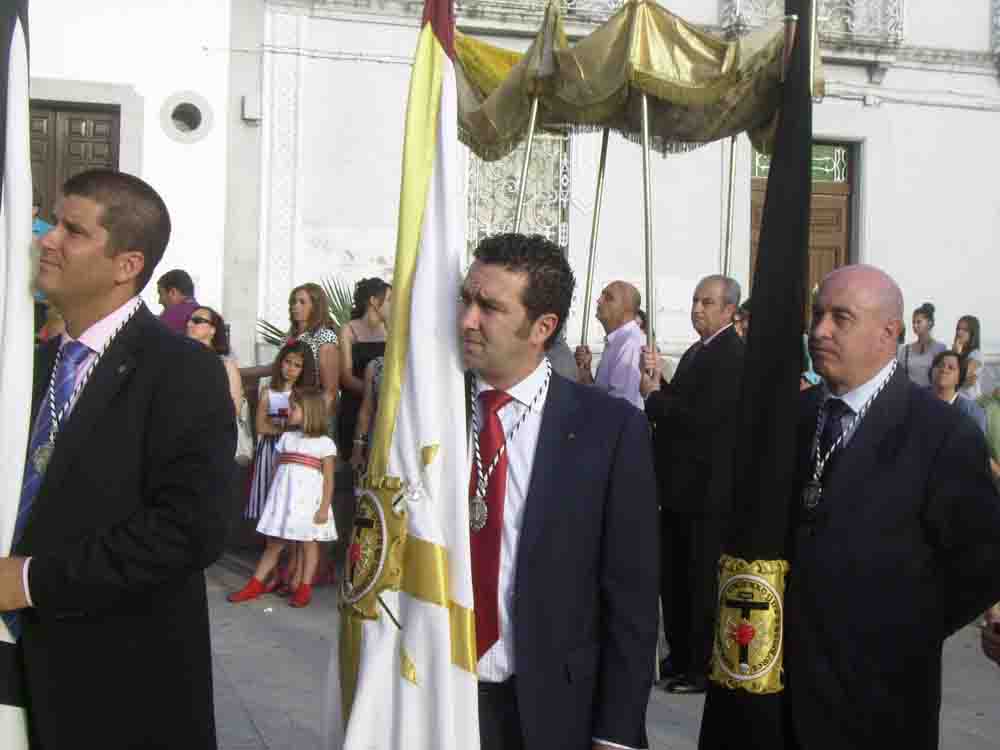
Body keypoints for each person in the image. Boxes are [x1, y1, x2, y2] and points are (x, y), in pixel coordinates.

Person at [0, 169, 233, 748]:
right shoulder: (34, 365)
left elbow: (189, 530)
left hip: (117, 686)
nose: (46, 240)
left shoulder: (182, 370)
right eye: (52, 223)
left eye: (71, 230)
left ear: (126, 265)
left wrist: (30, 580)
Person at [785, 264, 1000, 749]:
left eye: (841, 318)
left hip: (880, 703)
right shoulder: (794, 419)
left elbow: (981, 564)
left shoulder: (941, 434)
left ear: (890, 332)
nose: (819, 331)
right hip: (785, 701)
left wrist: (899, 624)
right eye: (818, 315)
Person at [459, 233, 658, 750]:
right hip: (439, 701)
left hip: (551, 712)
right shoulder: (430, 416)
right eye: (466, 300)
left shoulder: (607, 432)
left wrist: (616, 735)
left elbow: (631, 600)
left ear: (542, 327)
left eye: (489, 308)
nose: (467, 320)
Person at [639, 274, 744, 694]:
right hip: (680, 488)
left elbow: (701, 420)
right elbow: (681, 403)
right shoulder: (700, 352)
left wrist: (653, 398)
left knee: (700, 582)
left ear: (729, 310)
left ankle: (700, 664)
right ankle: (681, 653)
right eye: (695, 300)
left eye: (707, 302)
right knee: (676, 579)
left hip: (706, 491)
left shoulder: (731, 356)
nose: (697, 309)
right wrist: (659, 379)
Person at [228, 388, 337, 608]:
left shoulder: (324, 443)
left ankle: (304, 587)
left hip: (309, 503)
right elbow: (278, 470)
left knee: (308, 543)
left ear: (309, 411)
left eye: (294, 408)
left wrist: (324, 507)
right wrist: (273, 498)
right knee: (274, 545)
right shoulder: (286, 438)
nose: (289, 411)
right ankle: (255, 584)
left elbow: (328, 480)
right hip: (284, 501)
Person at [245, 340, 318, 521]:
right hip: (271, 452)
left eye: (297, 365)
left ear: (304, 369)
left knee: (292, 501)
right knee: (269, 497)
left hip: (297, 453)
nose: (290, 368)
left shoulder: (307, 396)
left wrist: (281, 428)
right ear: (280, 362)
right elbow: (261, 426)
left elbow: (310, 426)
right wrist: (286, 430)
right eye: (287, 362)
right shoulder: (269, 392)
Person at [337, 277, 390, 456]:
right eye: (389, 300)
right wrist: (374, 392)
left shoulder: (390, 330)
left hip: (383, 411)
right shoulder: (348, 330)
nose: (392, 305)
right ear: (374, 301)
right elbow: (345, 376)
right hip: (354, 406)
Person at [575, 280, 645, 409]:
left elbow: (618, 407)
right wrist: (586, 375)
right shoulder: (618, 340)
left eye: (608, 298)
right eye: (602, 295)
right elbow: (604, 396)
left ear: (627, 310)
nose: (599, 300)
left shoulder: (630, 344)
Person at [288, 283, 340, 430]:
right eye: (294, 302)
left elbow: (330, 390)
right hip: (289, 407)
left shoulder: (324, 336)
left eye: (302, 302)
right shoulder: (290, 336)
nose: (295, 306)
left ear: (315, 306)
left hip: (313, 414)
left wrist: (317, 423)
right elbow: (274, 368)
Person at [186, 304, 243, 416]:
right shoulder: (182, 360)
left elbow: (235, 408)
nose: (189, 324)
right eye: (189, 320)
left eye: (197, 321)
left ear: (212, 330)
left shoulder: (226, 365)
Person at [927, 349, 986, 434]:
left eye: (951, 368)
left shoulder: (973, 413)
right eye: (939, 365)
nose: (943, 370)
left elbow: (977, 445)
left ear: (960, 377)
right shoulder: (916, 402)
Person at [898, 302, 946, 388]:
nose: (915, 325)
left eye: (918, 322)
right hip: (910, 396)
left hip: (931, 396)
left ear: (930, 323)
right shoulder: (906, 350)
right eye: (913, 322)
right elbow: (901, 376)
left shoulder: (940, 348)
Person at [156, 268, 199, 334]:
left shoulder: (171, 316)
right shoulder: (203, 315)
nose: (160, 301)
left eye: (161, 294)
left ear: (173, 292)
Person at [953, 314, 984, 399]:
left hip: (969, 401)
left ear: (972, 333)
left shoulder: (976, 354)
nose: (959, 332)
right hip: (954, 400)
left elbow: (965, 377)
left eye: (965, 330)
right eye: (958, 329)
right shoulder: (954, 352)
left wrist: (957, 355)